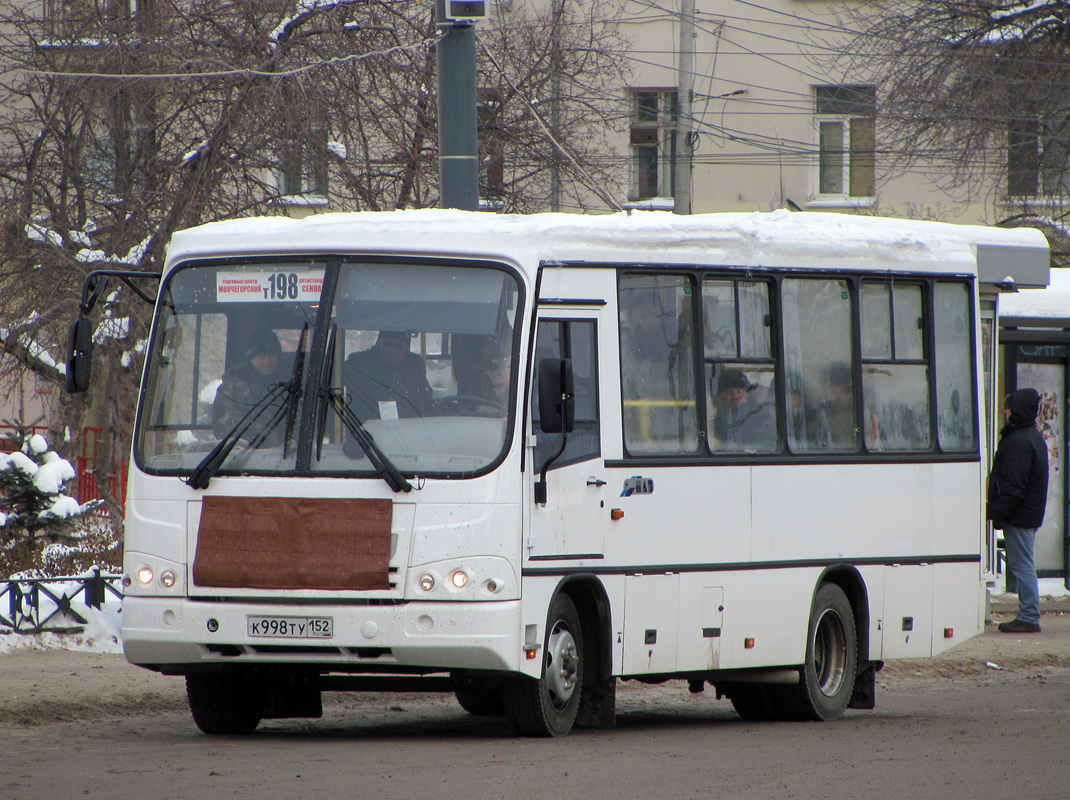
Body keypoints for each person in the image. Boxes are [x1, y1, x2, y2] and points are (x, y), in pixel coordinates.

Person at [988, 388, 1049, 634]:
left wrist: (997, 512)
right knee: (1023, 563)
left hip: (1020, 514)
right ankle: (1028, 613)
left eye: (1009, 407)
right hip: (1026, 512)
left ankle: (1029, 615)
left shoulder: (1019, 441)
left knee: (1022, 564)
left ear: (1018, 409)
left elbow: (1013, 485)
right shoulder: (1029, 436)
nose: (1005, 411)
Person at [211, 330, 288, 443]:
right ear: (251, 358)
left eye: (272, 355)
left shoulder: (290, 385)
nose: (267, 361)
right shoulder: (232, 388)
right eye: (261, 356)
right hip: (244, 454)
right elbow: (224, 427)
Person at [342, 330, 433, 423]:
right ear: (378, 343)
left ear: (406, 348)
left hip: (407, 428)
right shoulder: (359, 363)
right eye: (387, 343)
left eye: (398, 346)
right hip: (364, 430)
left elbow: (425, 401)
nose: (391, 349)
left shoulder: (414, 366)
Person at [713, 368, 776, 452]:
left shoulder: (760, 416)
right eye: (729, 392)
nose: (735, 396)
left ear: (747, 394)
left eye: (740, 392)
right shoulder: (714, 418)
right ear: (720, 397)